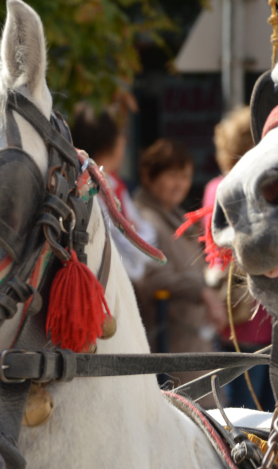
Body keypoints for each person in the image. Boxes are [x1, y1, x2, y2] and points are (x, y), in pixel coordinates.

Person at [133, 139, 226, 404]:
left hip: (194, 346)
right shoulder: (140, 219)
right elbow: (149, 276)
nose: (180, 184)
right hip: (167, 350)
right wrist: (201, 291)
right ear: (149, 176)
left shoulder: (174, 216)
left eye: (185, 177)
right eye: (172, 176)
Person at [205, 107, 275, 410]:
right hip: (266, 311)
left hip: (236, 313)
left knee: (243, 410)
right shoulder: (262, 188)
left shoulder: (215, 188)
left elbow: (215, 252)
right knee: (270, 410)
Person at [71, 102, 157, 283]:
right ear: (112, 141)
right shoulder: (91, 186)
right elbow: (137, 246)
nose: (124, 141)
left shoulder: (112, 182)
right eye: (122, 135)